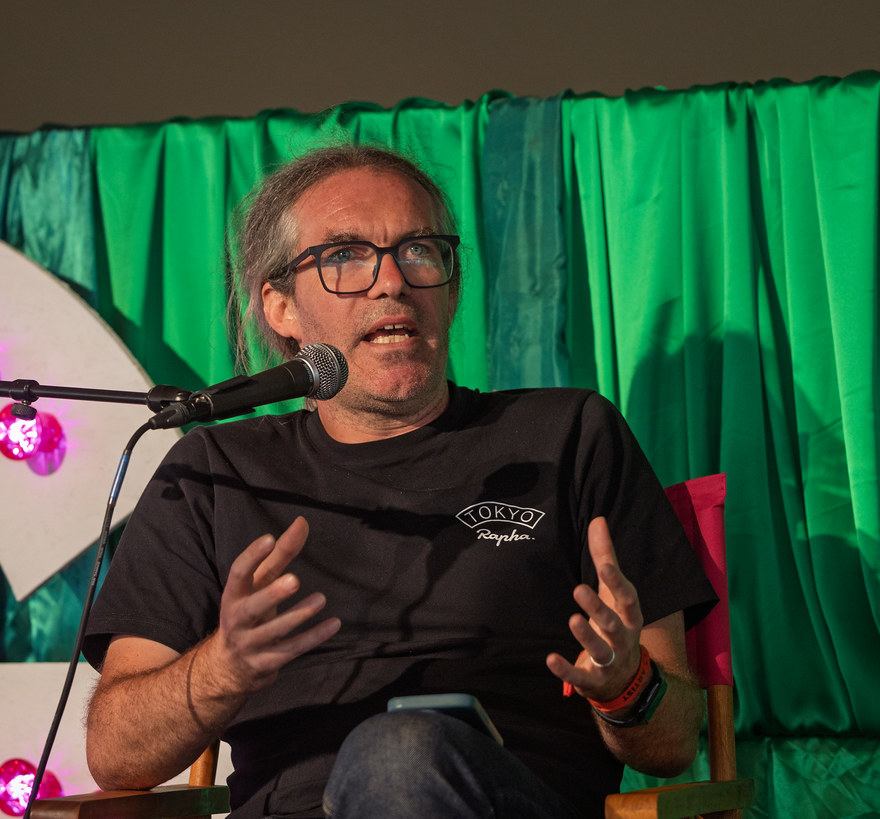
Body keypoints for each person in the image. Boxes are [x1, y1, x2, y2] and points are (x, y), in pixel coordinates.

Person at [82, 145, 717, 818]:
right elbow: (116, 753)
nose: (391, 282)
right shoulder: (213, 473)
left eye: (418, 250)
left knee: (400, 754)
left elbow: (674, 740)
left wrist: (627, 685)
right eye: (346, 256)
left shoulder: (569, 436)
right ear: (281, 307)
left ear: (451, 285)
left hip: (507, 800)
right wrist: (223, 667)